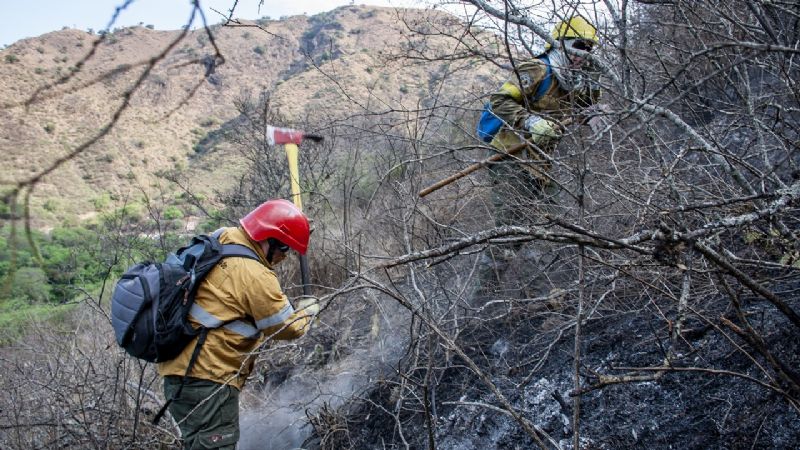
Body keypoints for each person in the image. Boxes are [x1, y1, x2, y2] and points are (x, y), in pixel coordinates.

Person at [157, 199, 320, 449]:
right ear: (270, 239)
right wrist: (307, 311)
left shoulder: (224, 237)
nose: (282, 258)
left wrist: (295, 225)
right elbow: (287, 327)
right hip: (208, 377)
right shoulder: (255, 274)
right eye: (284, 249)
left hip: (177, 373)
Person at [478, 16, 602, 292]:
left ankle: (542, 293)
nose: (584, 53)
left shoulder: (575, 81)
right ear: (562, 44)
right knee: (510, 229)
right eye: (579, 45)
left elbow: (582, 110)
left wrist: (593, 102)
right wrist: (530, 121)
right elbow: (499, 100)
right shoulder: (537, 69)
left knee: (555, 226)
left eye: (590, 48)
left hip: (542, 165)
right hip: (510, 159)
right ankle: (481, 304)